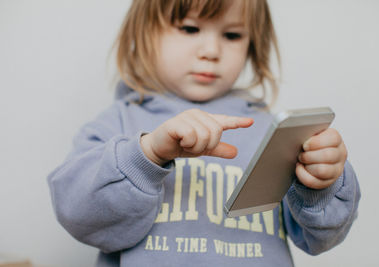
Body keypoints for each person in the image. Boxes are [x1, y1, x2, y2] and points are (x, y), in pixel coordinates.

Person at [47, 0, 361, 266]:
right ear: (144, 33)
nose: (211, 51)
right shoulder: (118, 121)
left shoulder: (269, 130)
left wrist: (320, 182)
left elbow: (321, 237)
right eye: (189, 29)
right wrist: (147, 154)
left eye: (233, 34)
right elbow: (79, 216)